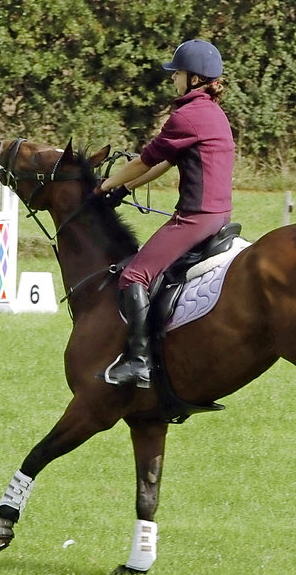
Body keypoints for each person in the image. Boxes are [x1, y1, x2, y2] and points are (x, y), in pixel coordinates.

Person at [97, 39, 235, 388]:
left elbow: (146, 159)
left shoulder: (186, 116)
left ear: (194, 78)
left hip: (195, 217)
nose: (173, 78)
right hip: (217, 214)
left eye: (178, 73)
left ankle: (140, 362)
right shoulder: (211, 112)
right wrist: (124, 188)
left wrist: (102, 187)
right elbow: (165, 162)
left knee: (133, 276)